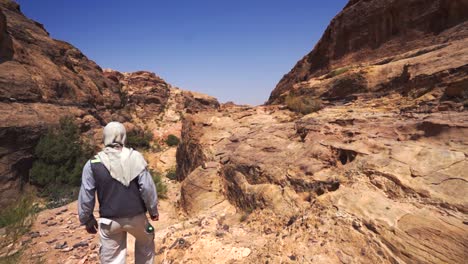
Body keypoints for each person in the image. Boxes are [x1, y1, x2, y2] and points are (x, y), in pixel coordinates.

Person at [78, 122, 159, 264]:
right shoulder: (136, 157)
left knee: (112, 260)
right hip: (137, 218)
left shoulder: (92, 163)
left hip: (109, 221)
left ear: (105, 137)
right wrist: (153, 210)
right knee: (146, 244)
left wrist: (87, 219)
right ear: (123, 137)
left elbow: (86, 195)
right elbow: (147, 188)